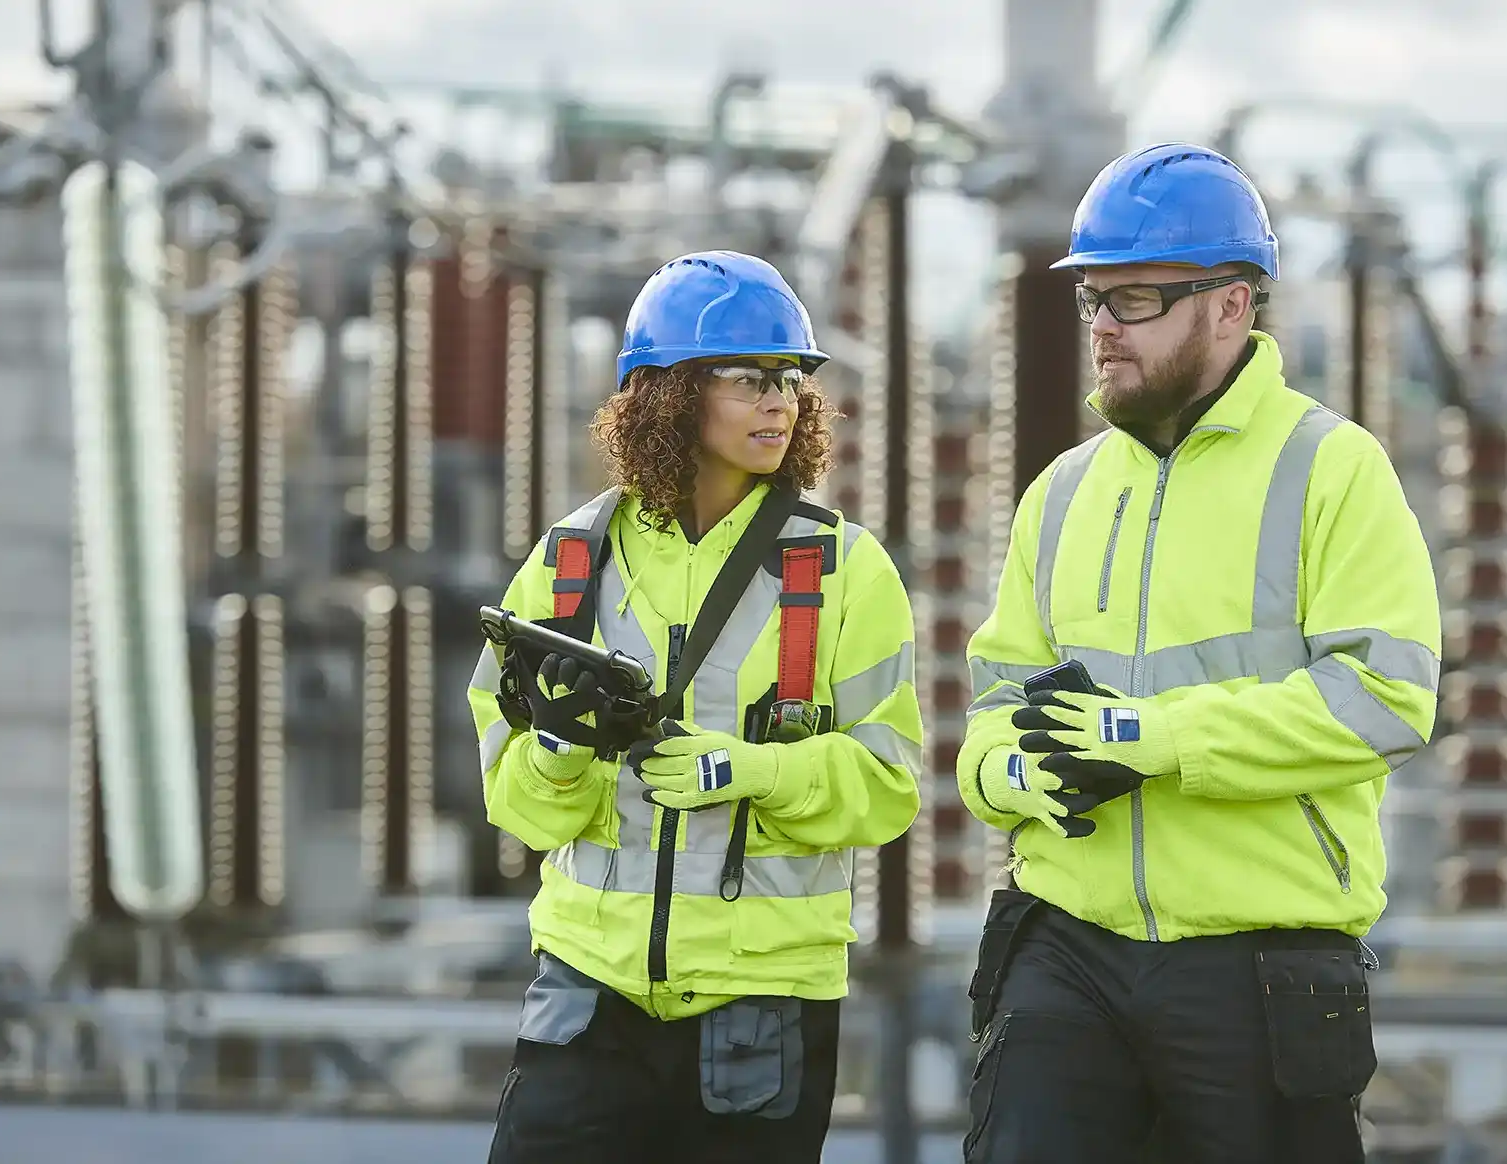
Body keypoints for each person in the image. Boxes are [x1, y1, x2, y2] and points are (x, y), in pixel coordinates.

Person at [955, 142, 1442, 1163]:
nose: (1100, 328)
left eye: (1133, 301)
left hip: (1255, 963)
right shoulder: (1063, 493)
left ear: (1231, 305)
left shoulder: (1332, 471)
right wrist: (1015, 772)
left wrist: (1149, 737)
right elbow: (990, 712)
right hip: (1064, 944)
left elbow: (1384, 699)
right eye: (1092, 300)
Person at [470, 250, 924, 1163]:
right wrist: (557, 753)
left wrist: (755, 771)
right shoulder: (565, 565)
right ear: (669, 393)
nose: (780, 400)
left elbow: (888, 786)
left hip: (762, 1007)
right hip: (586, 999)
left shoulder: (841, 568)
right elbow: (510, 803)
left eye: (792, 379)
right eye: (750, 377)